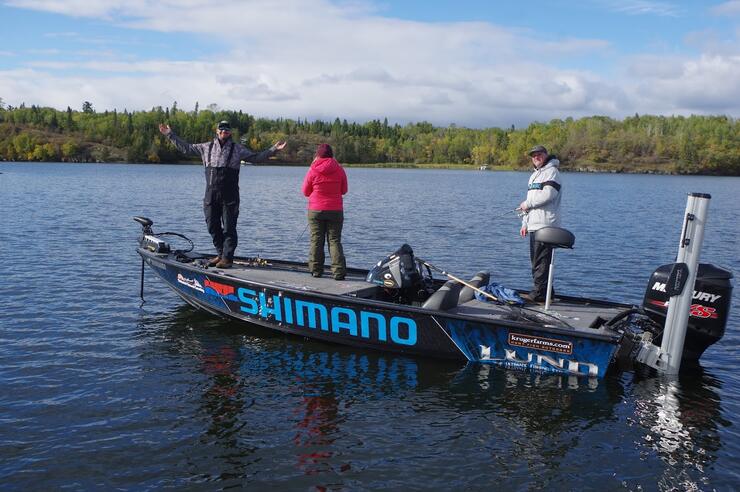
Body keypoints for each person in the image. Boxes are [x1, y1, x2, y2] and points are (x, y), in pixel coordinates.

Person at [159, 120, 286, 268]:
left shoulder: (238, 149)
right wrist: (170, 135)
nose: (223, 132)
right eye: (221, 129)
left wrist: (273, 149)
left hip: (230, 195)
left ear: (230, 133)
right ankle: (220, 254)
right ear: (217, 131)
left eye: (226, 129)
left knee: (229, 227)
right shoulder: (206, 147)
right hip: (211, 194)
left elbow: (256, 158)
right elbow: (186, 149)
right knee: (212, 225)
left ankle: (227, 258)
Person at [518, 144, 562, 302]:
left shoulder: (552, 172)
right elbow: (529, 201)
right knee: (537, 261)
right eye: (533, 155)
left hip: (545, 225)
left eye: (539, 154)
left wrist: (527, 205)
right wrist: (525, 223)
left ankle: (539, 294)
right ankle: (547, 292)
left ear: (546, 154)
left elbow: (548, 195)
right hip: (534, 225)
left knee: (541, 262)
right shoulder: (535, 175)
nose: (536, 157)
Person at [301, 144, 348, 280]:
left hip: (316, 210)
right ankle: (338, 272)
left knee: (316, 240)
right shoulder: (339, 169)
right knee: (334, 241)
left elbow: (305, 192)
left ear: (318, 155)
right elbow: (344, 190)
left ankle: (316, 270)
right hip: (335, 210)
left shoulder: (312, 169)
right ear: (332, 155)